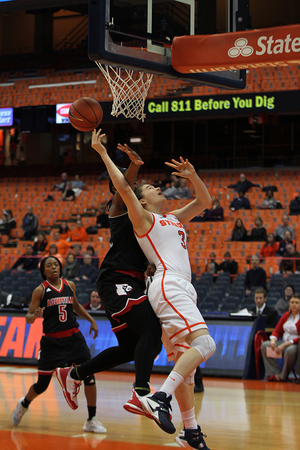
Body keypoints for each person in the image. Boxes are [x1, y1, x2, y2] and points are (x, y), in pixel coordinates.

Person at [69, 130, 216, 447]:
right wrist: (102, 153)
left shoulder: (174, 218)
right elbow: (122, 187)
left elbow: (206, 201)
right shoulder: (144, 219)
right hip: (167, 284)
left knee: (183, 360)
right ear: (142, 200)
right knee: (205, 346)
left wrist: (192, 176)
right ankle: (157, 396)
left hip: (180, 287)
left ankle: (189, 432)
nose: (157, 186)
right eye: (150, 188)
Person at [56, 142, 162, 439]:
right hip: (116, 279)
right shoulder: (119, 212)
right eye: (140, 188)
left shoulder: (151, 222)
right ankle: (140, 392)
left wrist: (150, 267)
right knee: (151, 330)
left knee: (132, 347)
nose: (133, 188)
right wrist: (132, 165)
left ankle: (73, 373)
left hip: (133, 282)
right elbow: (122, 189)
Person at [11, 256, 106, 433]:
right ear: (43, 271)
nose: (54, 267)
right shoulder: (40, 291)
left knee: (89, 376)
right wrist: (35, 315)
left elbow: (76, 306)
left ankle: (91, 419)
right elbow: (28, 317)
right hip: (52, 343)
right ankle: (23, 404)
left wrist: (92, 320)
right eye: (49, 265)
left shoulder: (70, 285)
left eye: (56, 264)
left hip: (74, 339)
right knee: (42, 384)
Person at [261, 294, 300, 381]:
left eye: (297, 303)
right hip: (283, 342)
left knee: (290, 351)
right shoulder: (286, 315)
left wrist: (285, 344)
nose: (294, 305)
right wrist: (273, 341)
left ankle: (283, 376)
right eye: (292, 302)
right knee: (265, 345)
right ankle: (274, 373)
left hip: (295, 344)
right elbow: (277, 331)